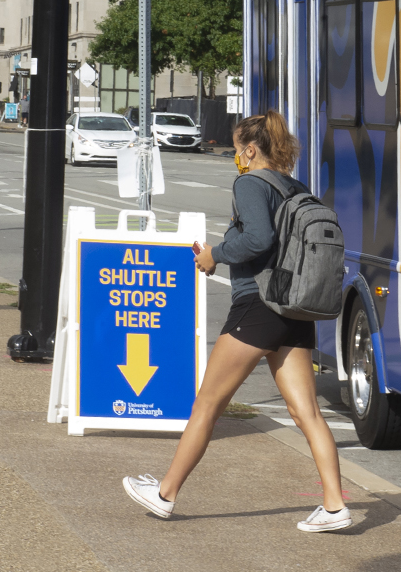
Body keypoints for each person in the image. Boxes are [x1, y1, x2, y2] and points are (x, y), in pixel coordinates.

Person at [122, 109, 351, 533]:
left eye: (237, 150)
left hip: (257, 308)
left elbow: (258, 239)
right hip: (293, 311)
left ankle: (165, 493)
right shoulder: (295, 187)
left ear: (250, 149)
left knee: (207, 404)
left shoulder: (251, 182)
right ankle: (335, 506)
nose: (235, 158)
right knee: (308, 414)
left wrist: (215, 255)